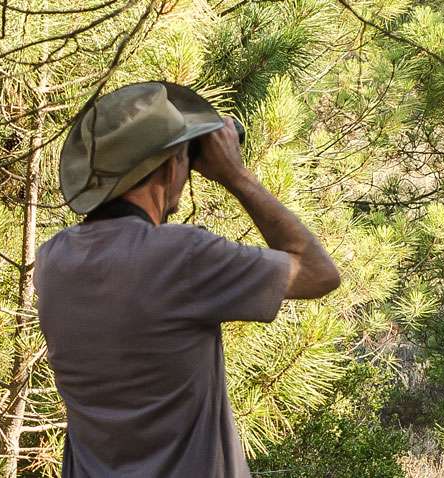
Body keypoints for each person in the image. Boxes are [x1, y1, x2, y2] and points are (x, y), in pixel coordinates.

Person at [35, 82, 341, 477]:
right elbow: (319, 273)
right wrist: (235, 175)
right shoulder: (181, 256)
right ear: (169, 166)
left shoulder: (54, 259)